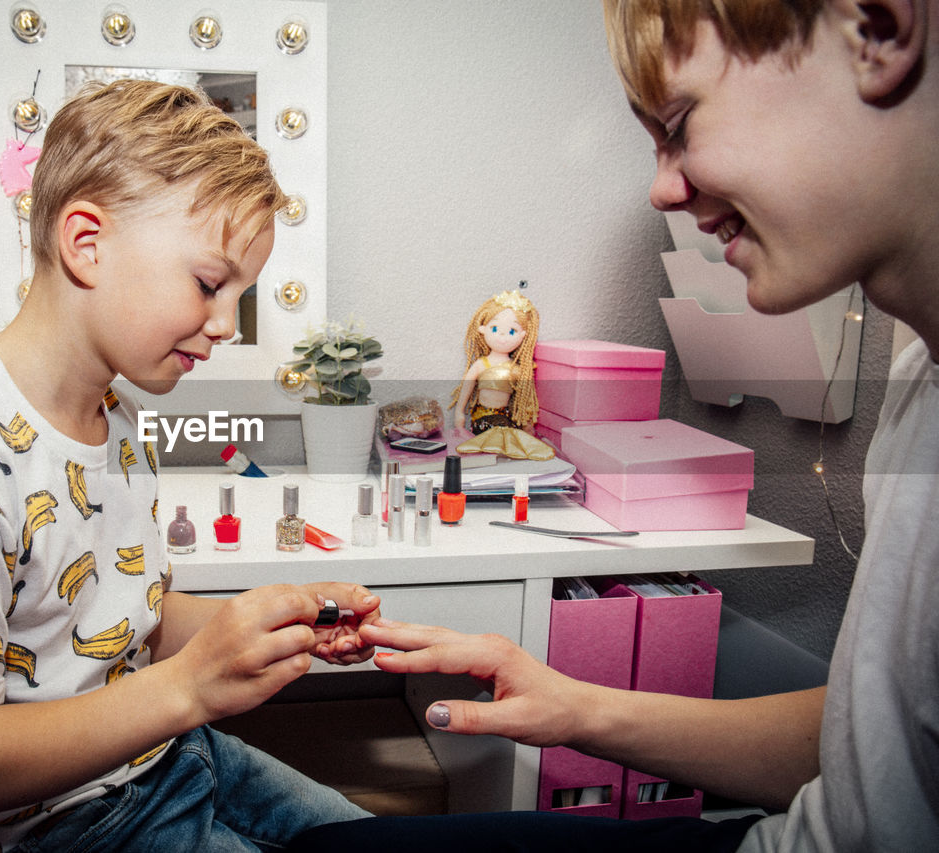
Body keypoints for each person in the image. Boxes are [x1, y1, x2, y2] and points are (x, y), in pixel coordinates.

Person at [289, 0, 939, 850]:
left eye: (678, 124)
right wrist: (572, 704)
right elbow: (872, 749)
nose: (663, 186)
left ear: (876, 29)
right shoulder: (917, 371)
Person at [0, 79, 378, 852]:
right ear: (86, 243)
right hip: (54, 825)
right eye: (211, 284)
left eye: (241, 297)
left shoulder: (115, 420)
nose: (224, 324)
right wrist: (187, 687)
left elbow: (120, 629)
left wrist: (270, 620)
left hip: (164, 761)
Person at [449, 290, 555, 460]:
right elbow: (466, 388)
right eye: (495, 328)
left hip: (505, 420)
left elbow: (524, 400)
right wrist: (459, 414)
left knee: (505, 443)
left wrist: (527, 426)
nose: (503, 337)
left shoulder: (516, 370)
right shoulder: (481, 364)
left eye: (512, 331)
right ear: (483, 329)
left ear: (523, 336)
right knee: (495, 441)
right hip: (481, 419)